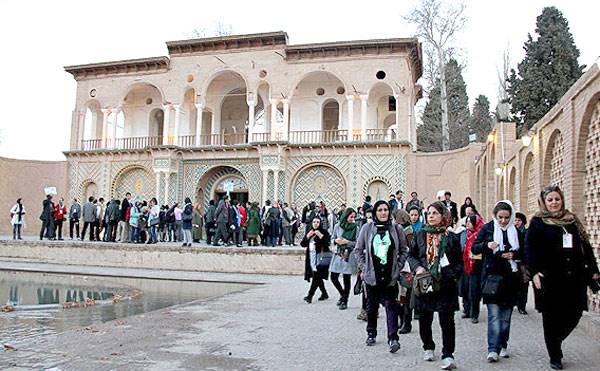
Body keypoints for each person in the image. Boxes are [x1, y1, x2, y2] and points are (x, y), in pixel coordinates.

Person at [525, 186, 599, 370]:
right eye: (550, 199)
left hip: (574, 276)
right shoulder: (537, 222)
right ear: (544, 202)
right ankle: (555, 354)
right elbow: (530, 249)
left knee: (574, 313)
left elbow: (585, 246)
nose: (554, 202)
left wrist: (594, 269)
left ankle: (555, 340)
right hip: (549, 277)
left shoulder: (572, 220)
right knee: (551, 317)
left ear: (562, 199)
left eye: (557, 199)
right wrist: (534, 272)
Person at [409, 201, 462, 370]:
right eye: (429, 213)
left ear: (443, 216)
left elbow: (459, 262)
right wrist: (418, 267)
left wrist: (452, 275)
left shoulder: (451, 236)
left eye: (435, 213)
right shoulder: (421, 234)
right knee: (425, 318)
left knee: (447, 321)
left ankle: (448, 354)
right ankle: (428, 346)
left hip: (445, 285)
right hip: (425, 282)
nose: (431, 216)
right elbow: (411, 256)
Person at [472, 201, 524, 362]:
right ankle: (492, 349)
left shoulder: (516, 231)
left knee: (506, 317)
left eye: (506, 218)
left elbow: (525, 250)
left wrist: (513, 255)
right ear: (495, 216)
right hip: (492, 278)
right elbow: (475, 247)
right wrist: (488, 245)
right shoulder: (488, 228)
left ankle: (502, 344)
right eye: (500, 217)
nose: (503, 221)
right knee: (494, 316)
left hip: (510, 279)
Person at [354, 200, 408, 354]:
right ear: (375, 213)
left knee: (391, 306)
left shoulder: (396, 229)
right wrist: (364, 268)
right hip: (372, 276)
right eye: (380, 210)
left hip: (390, 275)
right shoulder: (367, 228)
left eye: (385, 210)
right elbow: (358, 250)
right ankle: (371, 332)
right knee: (372, 306)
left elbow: (404, 250)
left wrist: (398, 267)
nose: (383, 213)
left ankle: (393, 338)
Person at [329, 208, 359, 310]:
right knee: (333, 277)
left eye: (354, 217)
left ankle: (345, 300)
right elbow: (332, 238)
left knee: (346, 279)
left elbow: (357, 243)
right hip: (338, 254)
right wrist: (336, 241)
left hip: (348, 255)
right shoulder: (338, 226)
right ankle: (342, 294)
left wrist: (347, 242)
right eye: (351, 217)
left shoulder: (356, 228)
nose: (352, 219)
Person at [302, 216, 331, 303]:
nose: (315, 224)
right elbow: (302, 244)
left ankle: (310, 296)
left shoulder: (324, 232)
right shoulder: (310, 232)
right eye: (314, 222)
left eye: (317, 222)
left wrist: (321, 236)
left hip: (321, 257)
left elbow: (327, 243)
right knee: (317, 276)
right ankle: (324, 293)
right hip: (311, 256)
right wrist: (307, 236)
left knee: (316, 276)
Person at [462, 214, 484, 324]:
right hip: (466, 266)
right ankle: (467, 310)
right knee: (465, 289)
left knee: (474, 291)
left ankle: (475, 314)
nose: (468, 224)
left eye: (470, 222)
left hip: (476, 267)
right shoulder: (465, 234)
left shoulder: (480, 235)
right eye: (467, 221)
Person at [514, 212, 529, 315]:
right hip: (513, 262)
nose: (516, 222)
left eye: (519, 220)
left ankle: (522, 306)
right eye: (515, 220)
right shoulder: (511, 232)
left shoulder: (526, 232)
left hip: (524, 262)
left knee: (524, 284)